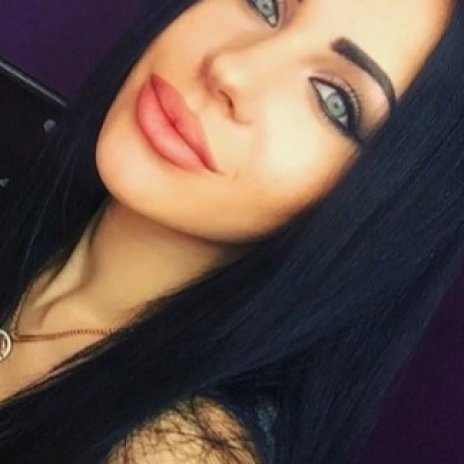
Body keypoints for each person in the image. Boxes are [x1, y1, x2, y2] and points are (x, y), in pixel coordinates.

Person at [0, 0, 462, 462]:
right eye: (265, 5)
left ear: (380, 210)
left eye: (335, 101)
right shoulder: (37, 219)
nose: (231, 70)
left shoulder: (177, 451)